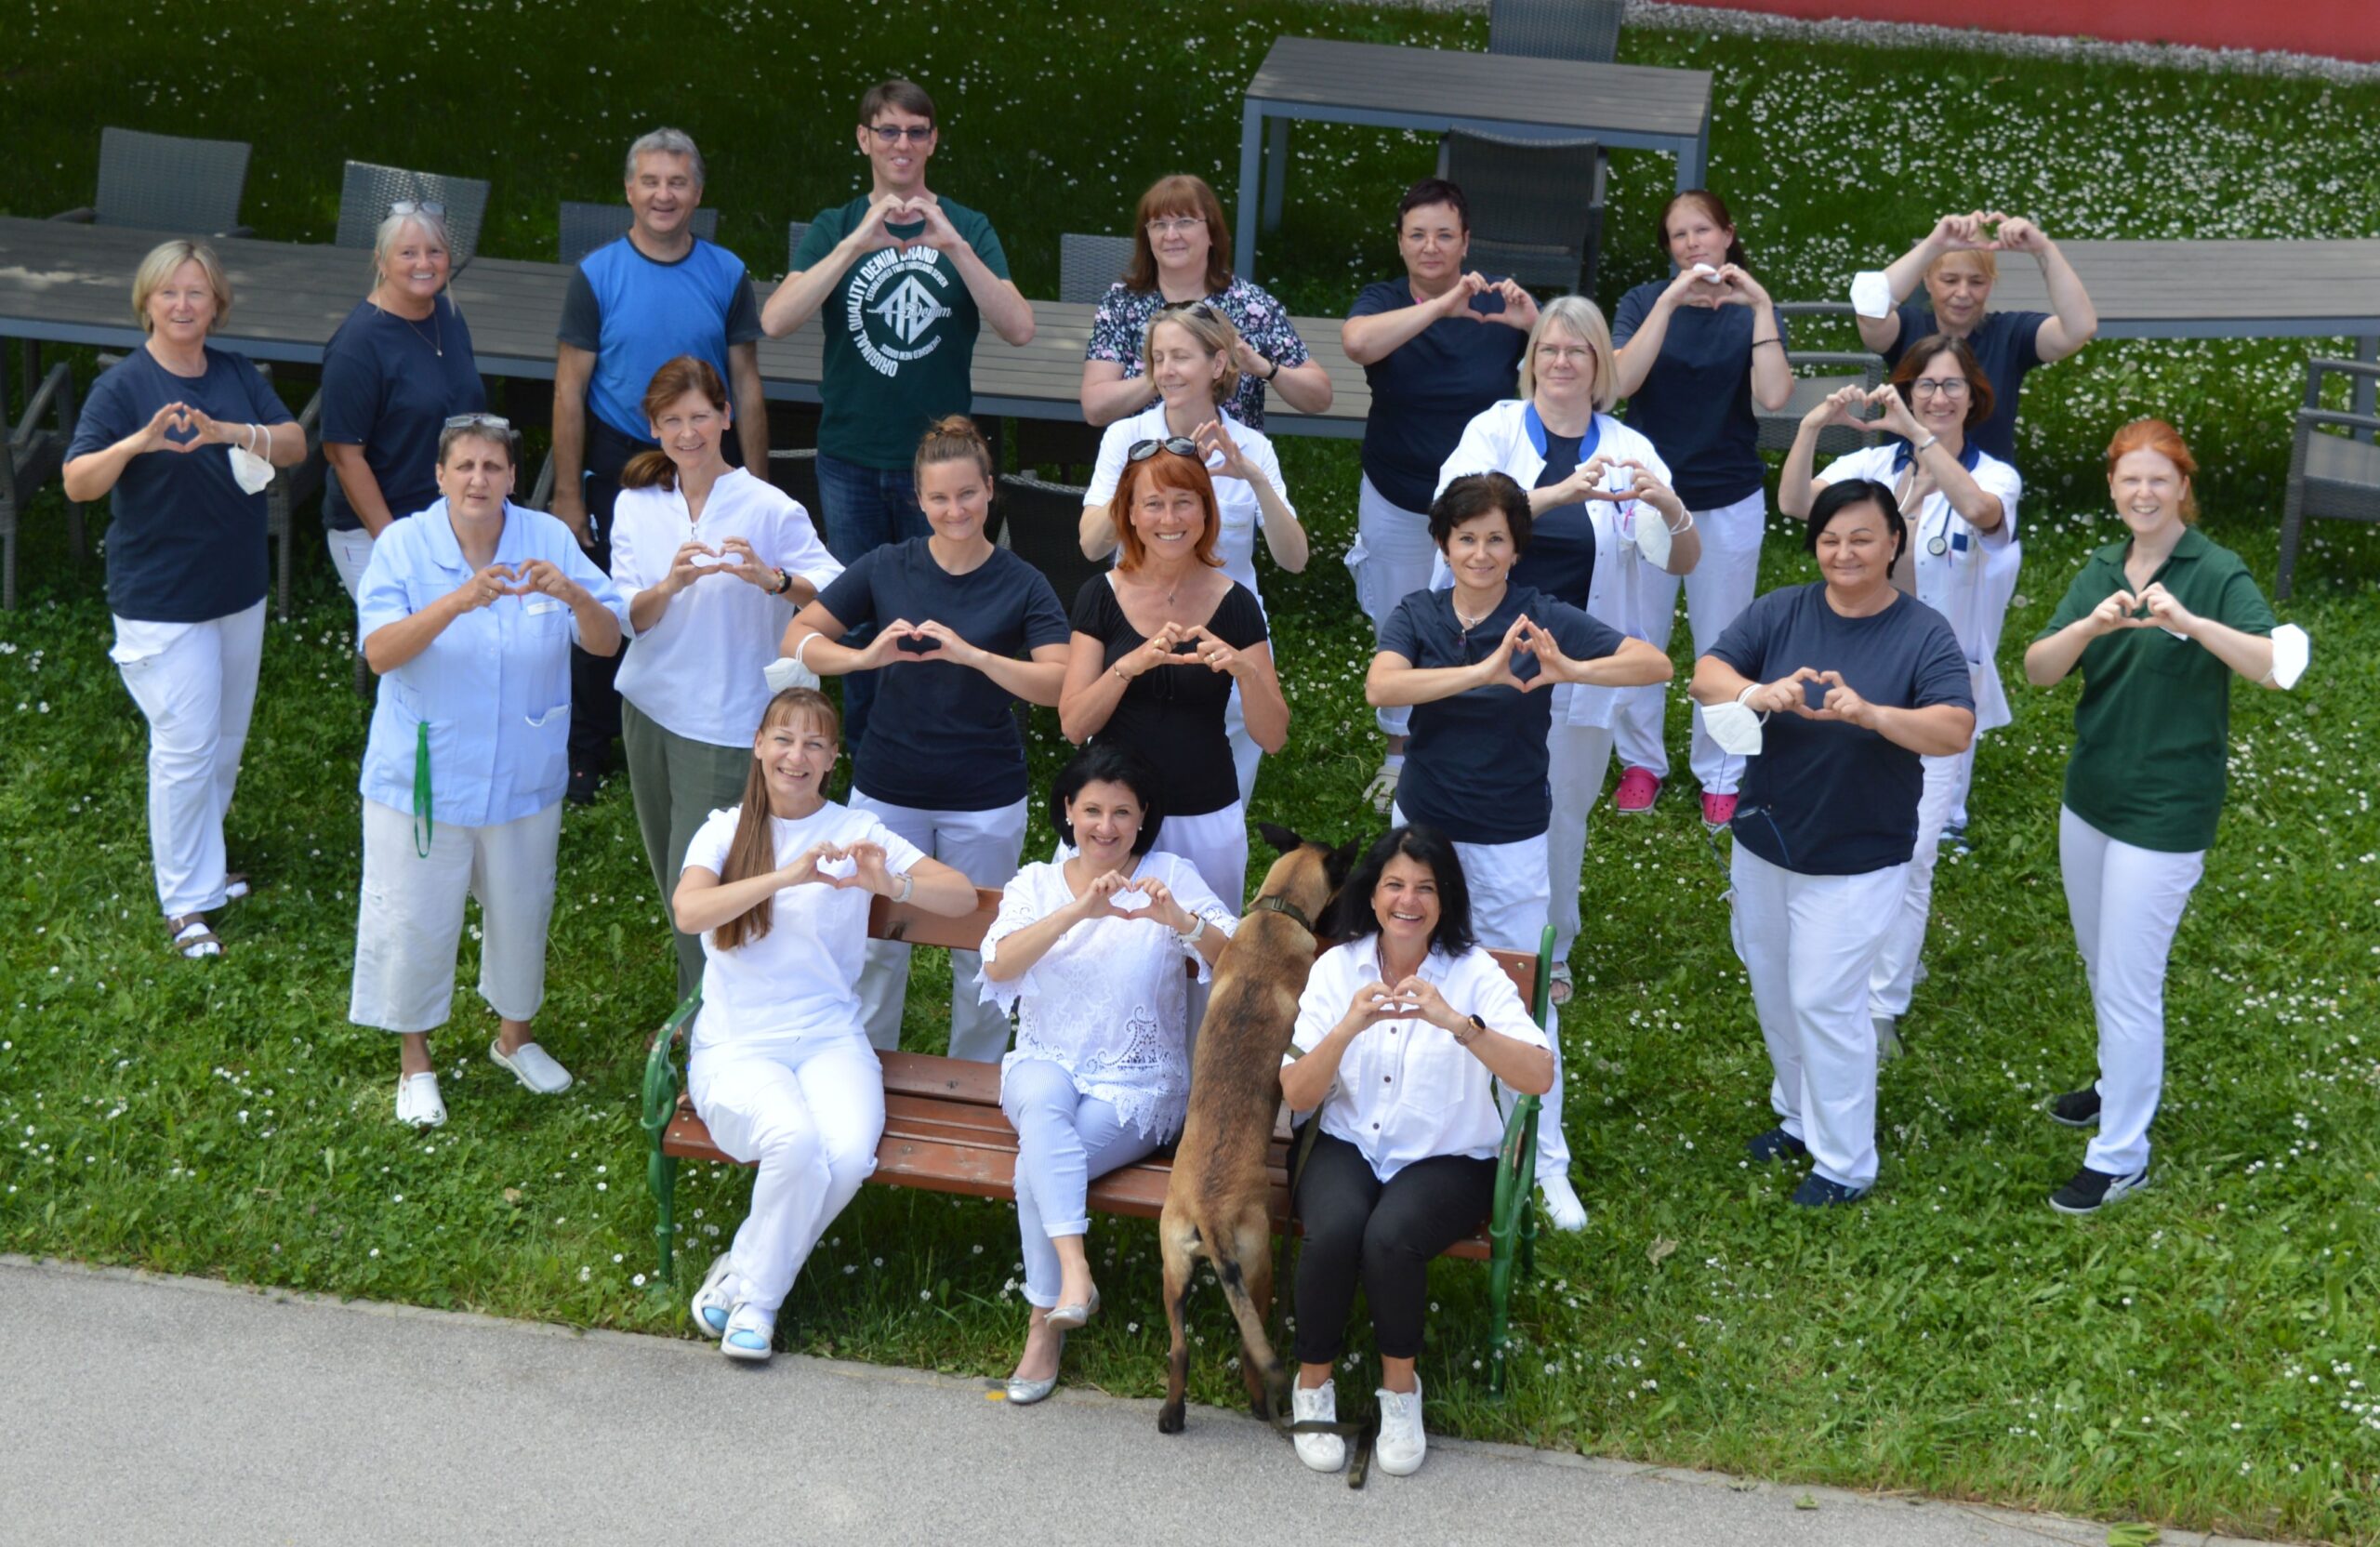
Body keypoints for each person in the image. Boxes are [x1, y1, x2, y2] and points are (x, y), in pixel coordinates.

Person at [1367, 473, 1673, 1232]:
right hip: (1424, 836)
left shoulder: (1540, 614)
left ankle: (1544, 1160)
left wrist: (1570, 670)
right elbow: (1383, 687)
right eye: (1465, 537)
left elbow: (1653, 663)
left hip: (1509, 839)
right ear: (1444, 543)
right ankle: (1404, 1131)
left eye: (1495, 538)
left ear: (1515, 548)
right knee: (1407, 980)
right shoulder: (1417, 613)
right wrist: (1483, 673)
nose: (1479, 551)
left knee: (1520, 999)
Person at [1687, 481, 1976, 1207]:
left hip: (1860, 853)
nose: (1844, 552)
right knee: (1774, 987)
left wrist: (1873, 715)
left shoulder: (1921, 630)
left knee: (1825, 999)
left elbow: (1953, 727)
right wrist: (1757, 694)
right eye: (1829, 538)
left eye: (1861, 537)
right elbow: (1706, 675)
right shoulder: (1782, 610)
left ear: (1893, 544)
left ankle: (1846, 1162)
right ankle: (1797, 1115)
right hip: (1766, 842)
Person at [670, 687, 978, 1360]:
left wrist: (890, 884)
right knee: (795, 1139)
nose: (796, 756)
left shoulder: (857, 831)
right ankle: (765, 1306)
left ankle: (743, 1278)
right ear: (758, 746)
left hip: (830, 1037)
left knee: (846, 1155)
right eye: (783, 739)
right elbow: (691, 912)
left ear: (834, 756)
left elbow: (957, 897)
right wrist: (786, 877)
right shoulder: (724, 828)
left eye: (814, 743)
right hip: (738, 1044)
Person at [2023, 420, 2282, 1216]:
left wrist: (2192, 625)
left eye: (2159, 481)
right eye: (2130, 481)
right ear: (2112, 488)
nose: (2143, 494)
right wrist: (2089, 624)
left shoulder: (2216, 569)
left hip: (2166, 809)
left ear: (2182, 487)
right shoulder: (2102, 567)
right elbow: (2037, 671)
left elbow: (2275, 667)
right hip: (2091, 795)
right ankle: (2115, 1080)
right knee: (2104, 963)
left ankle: (2121, 1154)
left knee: (2132, 984)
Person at [349, 416, 630, 1129]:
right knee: (414, 915)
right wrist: (456, 601)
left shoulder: (547, 538)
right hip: (425, 774)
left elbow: (604, 641)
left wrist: (574, 594)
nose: (480, 480)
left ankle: (515, 1038)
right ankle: (416, 1062)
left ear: (512, 477)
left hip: (524, 773)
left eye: (494, 468)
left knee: (521, 909)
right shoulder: (405, 547)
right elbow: (379, 651)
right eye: (466, 467)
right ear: (439, 476)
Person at [1435, 294, 1698, 1008]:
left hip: (1578, 656)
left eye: (1576, 350)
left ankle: (1550, 949)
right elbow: (1456, 512)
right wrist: (1555, 496)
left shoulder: (1630, 447)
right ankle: (1450, 936)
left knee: (1564, 807)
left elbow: (1683, 559)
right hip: (1488, 642)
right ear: (1532, 360)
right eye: (1549, 348)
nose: (1560, 361)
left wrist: (1671, 509)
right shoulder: (1493, 430)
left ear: (1598, 366)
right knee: (1471, 789)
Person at [761, 78, 1035, 760]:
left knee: (939, 617)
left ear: (934, 141)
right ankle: (867, 757)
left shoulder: (967, 227)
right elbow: (775, 319)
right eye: (888, 131)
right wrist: (858, 242)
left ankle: (934, 749)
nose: (903, 144)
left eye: (916, 131)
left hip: (940, 471)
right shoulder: (836, 224)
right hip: (852, 454)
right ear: (864, 140)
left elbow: (1021, 328)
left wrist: (953, 248)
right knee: (854, 622)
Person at [785, 416, 1071, 1060]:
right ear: (919, 501)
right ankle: (861, 1073)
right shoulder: (888, 565)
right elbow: (798, 637)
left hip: (985, 794)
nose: (955, 509)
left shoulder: (1022, 581)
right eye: (939, 498)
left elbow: (1058, 685)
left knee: (982, 951)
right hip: (889, 787)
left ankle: (974, 1086)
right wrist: (865, 658)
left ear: (990, 490)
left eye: (967, 494)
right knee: (875, 944)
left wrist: (975, 657)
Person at [1278, 824, 1554, 1478]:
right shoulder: (1336, 968)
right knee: (1338, 1228)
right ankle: (1312, 1380)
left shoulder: (1474, 973)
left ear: (1445, 899)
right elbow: (1296, 1088)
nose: (1409, 901)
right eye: (1394, 885)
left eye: (1426, 888)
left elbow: (1538, 1076)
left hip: (1447, 1156)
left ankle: (1400, 1392)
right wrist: (1348, 1025)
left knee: (1390, 1237)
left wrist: (1459, 1026)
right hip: (1343, 1141)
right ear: (1371, 896)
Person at [61, 239, 306, 960]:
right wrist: (137, 443)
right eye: (170, 293)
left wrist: (227, 431)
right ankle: (184, 902)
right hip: (161, 599)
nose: (183, 305)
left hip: (236, 589)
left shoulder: (233, 375)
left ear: (216, 304)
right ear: (147, 301)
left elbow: (291, 443)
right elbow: (78, 483)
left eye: (196, 293)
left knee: (222, 743)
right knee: (186, 745)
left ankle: (205, 867)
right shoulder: (123, 388)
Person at [1779, 337, 2021, 1059]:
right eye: (1921, 386)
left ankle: (1883, 1002)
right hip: (1855, 674)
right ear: (1904, 390)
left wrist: (1921, 441)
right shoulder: (1870, 470)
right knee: (1858, 825)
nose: (1936, 397)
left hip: (1938, 682)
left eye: (1950, 387)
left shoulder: (1996, 476)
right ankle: (1860, 959)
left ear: (1973, 396)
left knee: (1915, 849)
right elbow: (1798, 504)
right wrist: (1808, 429)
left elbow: (1979, 513)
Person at [979, 743, 1236, 1403]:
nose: (1106, 826)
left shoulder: (1172, 873)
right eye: (1092, 809)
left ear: (1143, 816)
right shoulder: (1035, 882)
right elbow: (1001, 965)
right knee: (1041, 1106)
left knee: (1037, 1164)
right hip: (1045, 1062)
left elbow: (1238, 958)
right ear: (1068, 811)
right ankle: (1074, 1275)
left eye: (1123, 812)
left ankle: (1045, 1324)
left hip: (1138, 1081)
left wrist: (1178, 921)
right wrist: (1076, 912)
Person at [610, 356, 843, 999]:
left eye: (701, 417)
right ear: (654, 429)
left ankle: (714, 1029)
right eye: (673, 421)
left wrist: (771, 578)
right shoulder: (636, 503)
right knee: (670, 880)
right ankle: (704, 1014)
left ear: (726, 418)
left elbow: (839, 590)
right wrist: (671, 584)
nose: (689, 434)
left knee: (706, 889)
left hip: (724, 723)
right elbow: (627, 617)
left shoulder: (768, 506)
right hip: (650, 708)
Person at [552, 126, 769, 805]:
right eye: (650, 181)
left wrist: (756, 482)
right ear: (629, 190)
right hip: (623, 456)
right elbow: (568, 388)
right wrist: (566, 491)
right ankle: (587, 750)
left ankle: (693, 727)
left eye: (677, 182)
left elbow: (746, 380)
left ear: (697, 193)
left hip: (704, 455)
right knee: (610, 603)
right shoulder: (596, 275)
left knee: (704, 596)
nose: (663, 194)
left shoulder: (727, 273)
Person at [1340, 178, 1538, 812]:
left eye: (1445, 234)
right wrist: (1442, 305)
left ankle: (1472, 732)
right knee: (1401, 618)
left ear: (1466, 240)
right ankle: (1399, 750)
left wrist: (1532, 324)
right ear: (1399, 243)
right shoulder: (1383, 301)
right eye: (1418, 234)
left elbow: (1572, 371)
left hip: (1479, 506)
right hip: (1397, 493)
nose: (1431, 246)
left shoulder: (1501, 305)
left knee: (1479, 616)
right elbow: (1358, 344)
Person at [1607, 190, 1793, 826]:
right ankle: (1640, 763)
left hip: (1729, 495)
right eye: (1678, 235)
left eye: (1702, 231)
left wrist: (1762, 305)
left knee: (1723, 639)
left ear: (1727, 235)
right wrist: (1668, 299)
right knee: (1642, 633)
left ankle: (1721, 770)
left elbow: (1773, 397)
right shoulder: (1641, 302)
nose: (1692, 244)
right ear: (1668, 249)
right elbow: (1619, 383)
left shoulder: (1753, 312)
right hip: (1649, 494)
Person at [1078, 302, 1308, 803]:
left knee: (1220, 789)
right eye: (1157, 357)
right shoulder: (1126, 437)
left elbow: (1294, 559)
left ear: (1218, 363)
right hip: (1134, 633)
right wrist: (1144, 485)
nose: (1165, 370)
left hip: (1227, 636)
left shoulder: (1251, 446)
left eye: (1180, 356)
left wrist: (1251, 476)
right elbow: (1091, 542)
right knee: (1121, 786)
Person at [1058, 444, 1288, 912]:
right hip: (1112, 819)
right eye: (1153, 504)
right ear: (1132, 514)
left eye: (1184, 501)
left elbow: (1274, 737)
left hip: (1205, 816)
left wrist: (1244, 671)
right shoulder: (1098, 595)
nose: (1169, 518)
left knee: (1203, 967)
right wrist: (1129, 665)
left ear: (1205, 510)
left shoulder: (1238, 603)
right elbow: (1074, 725)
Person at [319, 204, 486, 597]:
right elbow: (344, 456)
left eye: (435, 251)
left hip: (449, 520)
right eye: (408, 253)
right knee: (412, 649)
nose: (423, 263)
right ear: (381, 260)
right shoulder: (357, 345)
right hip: (378, 529)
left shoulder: (449, 315)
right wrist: (394, 542)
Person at [1080, 174, 1332, 432]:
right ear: (1147, 237)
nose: (1171, 235)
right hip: (1143, 464)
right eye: (1158, 224)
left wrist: (1263, 367)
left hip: (1229, 465)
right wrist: (1167, 375)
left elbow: (1320, 397)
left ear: (1212, 233)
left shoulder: (1250, 305)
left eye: (1184, 222)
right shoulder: (1122, 304)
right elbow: (1095, 408)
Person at [1852, 210, 2098, 464]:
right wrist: (1932, 247)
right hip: (1905, 485)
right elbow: (1870, 308)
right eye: (1949, 280)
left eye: (1976, 282)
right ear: (1927, 281)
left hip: (1983, 492)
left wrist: (2044, 249)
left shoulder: (2010, 334)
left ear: (1991, 284)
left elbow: (2080, 328)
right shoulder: (1906, 327)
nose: (1962, 293)